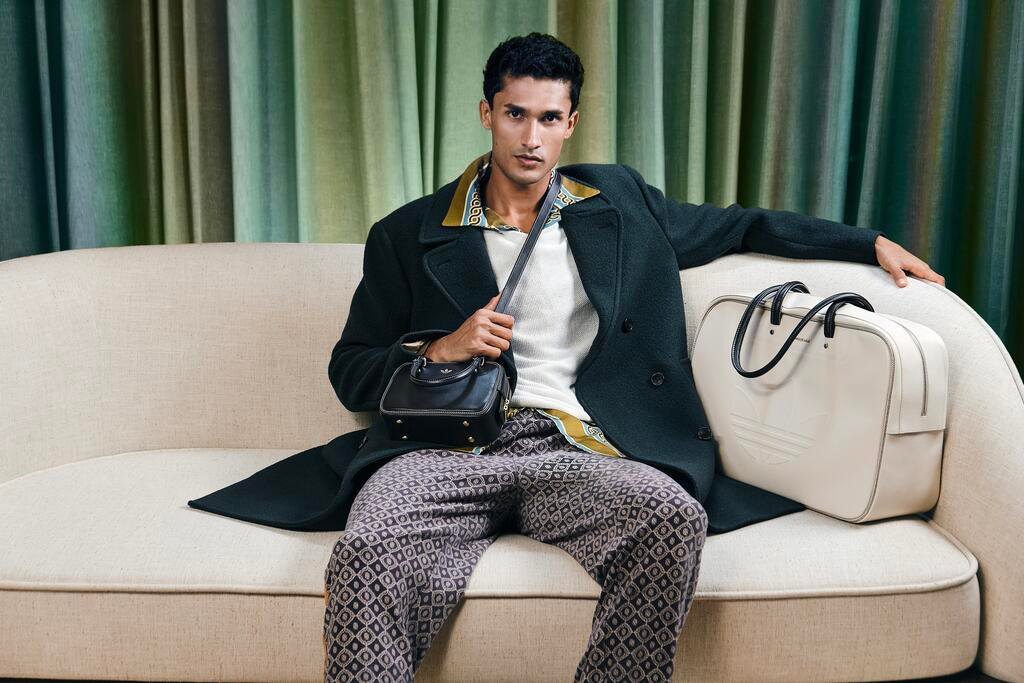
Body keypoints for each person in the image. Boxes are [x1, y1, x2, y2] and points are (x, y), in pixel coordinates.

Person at [188, 31, 945, 683]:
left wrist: (866, 243)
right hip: (446, 450)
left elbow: (741, 225)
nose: (531, 137)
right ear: (486, 113)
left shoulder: (621, 204)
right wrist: (440, 349)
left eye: (549, 118)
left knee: (671, 518)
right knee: (368, 551)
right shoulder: (408, 232)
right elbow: (350, 367)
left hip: (584, 445)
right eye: (515, 114)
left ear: (571, 123)